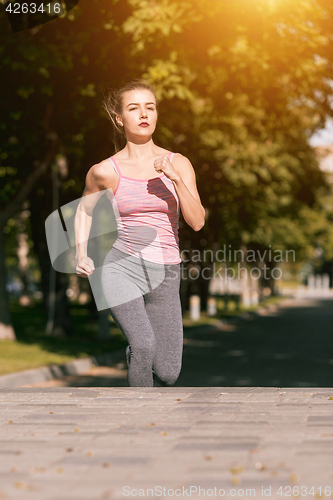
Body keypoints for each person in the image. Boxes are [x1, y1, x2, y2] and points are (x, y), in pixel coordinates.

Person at [75, 78, 205, 387]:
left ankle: (142, 375)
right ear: (120, 119)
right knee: (144, 344)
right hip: (119, 267)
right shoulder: (105, 171)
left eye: (150, 107)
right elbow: (84, 209)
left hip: (166, 270)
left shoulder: (178, 163)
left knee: (169, 371)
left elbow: (197, 221)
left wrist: (175, 180)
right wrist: (80, 253)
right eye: (134, 108)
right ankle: (138, 421)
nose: (144, 114)